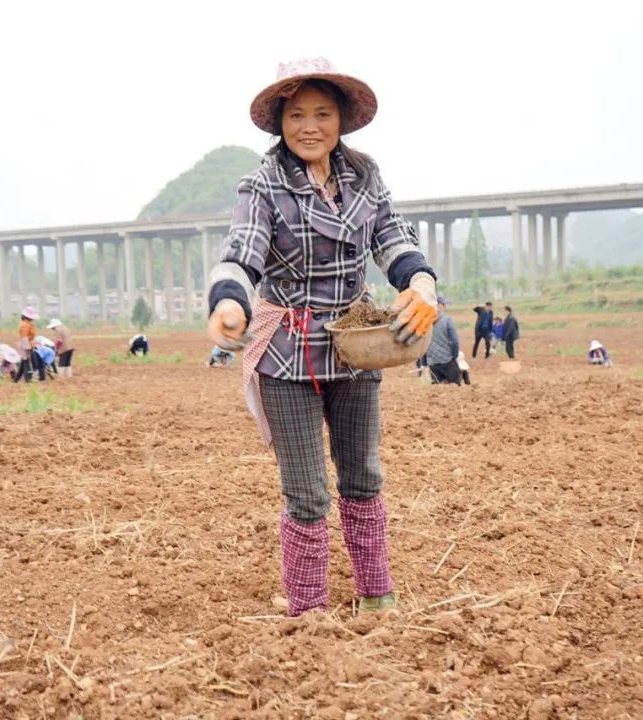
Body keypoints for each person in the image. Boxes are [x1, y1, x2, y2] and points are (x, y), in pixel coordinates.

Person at [205, 58, 438, 616]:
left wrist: (423, 281)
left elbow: (392, 239)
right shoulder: (262, 184)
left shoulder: (366, 177)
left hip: (357, 344)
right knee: (307, 492)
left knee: (363, 475)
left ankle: (377, 595)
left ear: (341, 120)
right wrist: (228, 302)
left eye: (323, 114)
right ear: (280, 121)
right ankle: (307, 613)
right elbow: (242, 251)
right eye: (297, 114)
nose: (310, 126)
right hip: (287, 353)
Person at [425, 296, 461, 384]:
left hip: (432, 363)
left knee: (436, 391)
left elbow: (423, 343)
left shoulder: (425, 321)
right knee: (456, 387)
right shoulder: (447, 320)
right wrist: (454, 356)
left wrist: (424, 362)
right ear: (438, 305)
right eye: (444, 304)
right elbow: (455, 341)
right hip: (447, 360)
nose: (445, 306)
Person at [13, 306, 44, 383]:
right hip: (25, 346)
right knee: (27, 363)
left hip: (27, 345)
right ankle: (28, 380)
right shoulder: (25, 325)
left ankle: (16, 379)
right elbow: (24, 337)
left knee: (24, 362)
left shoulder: (26, 324)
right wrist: (27, 348)